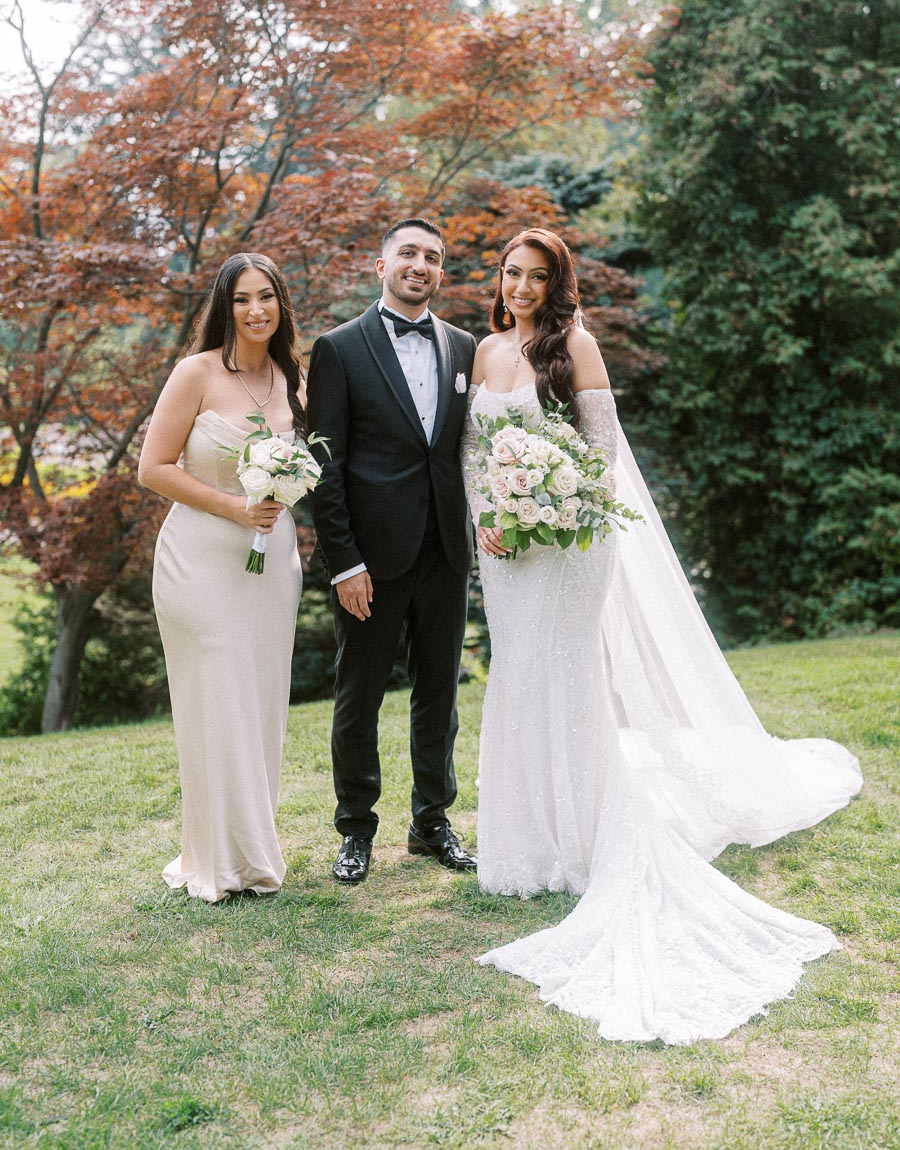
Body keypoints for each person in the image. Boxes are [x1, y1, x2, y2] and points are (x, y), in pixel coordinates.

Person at [463, 227, 863, 1044]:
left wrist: (552, 509)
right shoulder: (483, 350)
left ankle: (583, 838)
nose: (522, 287)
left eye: (538, 276)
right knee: (518, 676)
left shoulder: (575, 345)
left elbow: (600, 456)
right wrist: (489, 519)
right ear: (497, 278)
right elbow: (476, 450)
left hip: (572, 543)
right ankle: (524, 842)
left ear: (557, 282)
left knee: (567, 676)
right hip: (505, 550)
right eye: (512, 273)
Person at [306, 218, 478, 885]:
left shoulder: (465, 348)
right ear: (380, 265)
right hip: (369, 563)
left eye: (433, 257)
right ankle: (355, 830)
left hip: (444, 551)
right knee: (360, 697)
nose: (420, 265)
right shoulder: (338, 349)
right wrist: (344, 562)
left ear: (441, 272)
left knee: (439, 696)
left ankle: (431, 822)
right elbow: (326, 465)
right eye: (408, 253)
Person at [139, 252, 305, 903]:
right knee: (217, 698)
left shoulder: (295, 379)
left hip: (271, 563)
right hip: (200, 560)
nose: (256, 310)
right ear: (224, 307)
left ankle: (253, 852)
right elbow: (153, 468)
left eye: (267, 296)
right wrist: (236, 505)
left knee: (260, 700)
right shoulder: (196, 373)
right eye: (242, 299)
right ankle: (216, 860)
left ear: (282, 305)